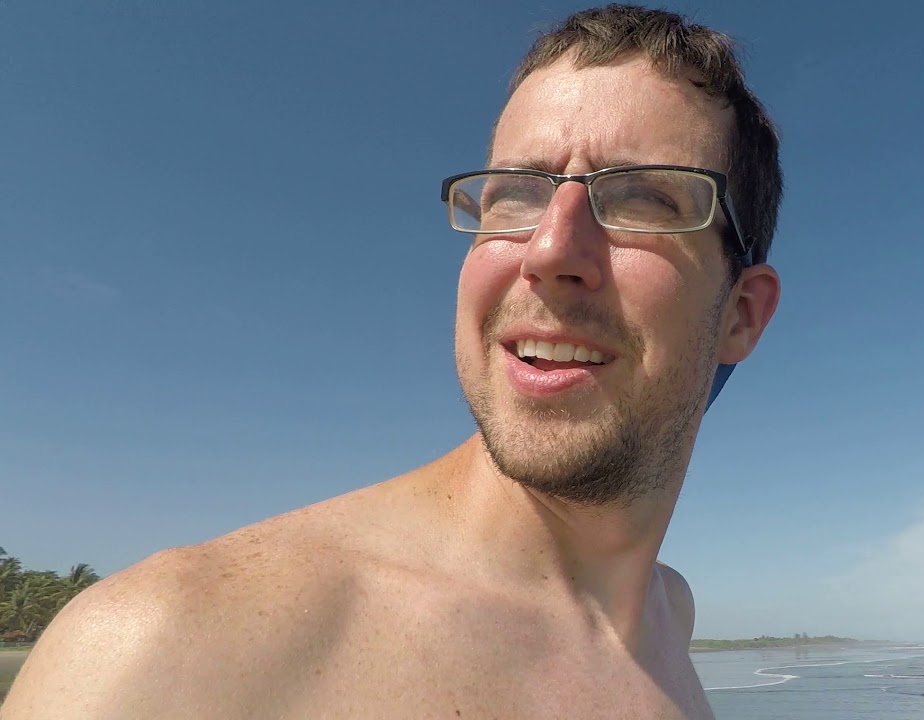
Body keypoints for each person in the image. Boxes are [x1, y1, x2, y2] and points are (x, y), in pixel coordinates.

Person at [1, 4, 782, 718]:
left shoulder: (667, 615)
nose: (549, 251)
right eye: (515, 193)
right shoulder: (161, 656)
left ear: (741, 316)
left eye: (644, 199)